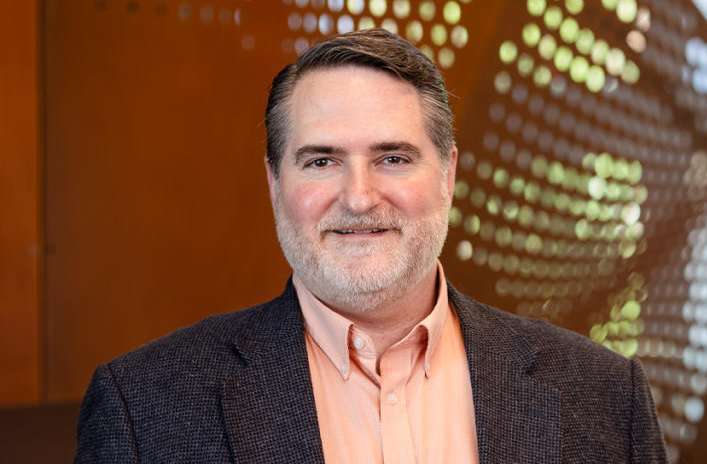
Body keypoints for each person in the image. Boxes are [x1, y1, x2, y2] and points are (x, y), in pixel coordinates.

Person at [75, 29, 668, 463]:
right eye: (322, 160)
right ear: (275, 184)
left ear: (448, 176)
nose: (359, 198)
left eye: (392, 157)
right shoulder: (143, 410)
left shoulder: (607, 398)